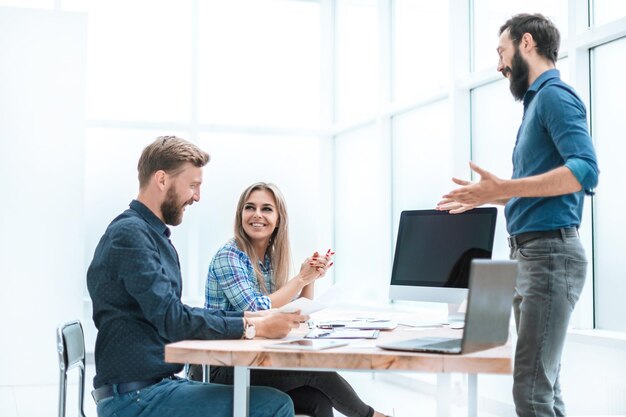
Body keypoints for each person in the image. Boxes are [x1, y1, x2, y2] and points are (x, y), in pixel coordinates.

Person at [436, 14, 599, 417]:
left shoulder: (555, 97)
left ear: (526, 43)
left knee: (530, 391)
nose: (498, 65)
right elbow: (544, 194)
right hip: (531, 255)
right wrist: (490, 197)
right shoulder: (536, 105)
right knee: (543, 387)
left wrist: (504, 189)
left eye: (501, 52)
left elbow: (585, 171)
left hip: (549, 255)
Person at [87, 136, 307, 417]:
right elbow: (173, 320)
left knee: (300, 398)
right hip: (135, 399)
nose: (197, 196)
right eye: (192, 185)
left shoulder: (149, 234)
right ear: (162, 180)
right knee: (275, 404)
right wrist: (254, 327)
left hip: (151, 387)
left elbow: (174, 313)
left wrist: (253, 319)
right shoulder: (130, 235)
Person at [203, 182, 390, 417]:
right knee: (314, 370)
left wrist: (309, 277)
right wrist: (300, 279)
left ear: (279, 219)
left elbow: (295, 316)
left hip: (249, 361)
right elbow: (254, 308)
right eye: (250, 207)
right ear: (240, 214)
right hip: (220, 368)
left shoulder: (269, 261)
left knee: (319, 401)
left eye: (267, 209)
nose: (257, 215)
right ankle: (372, 416)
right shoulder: (228, 256)